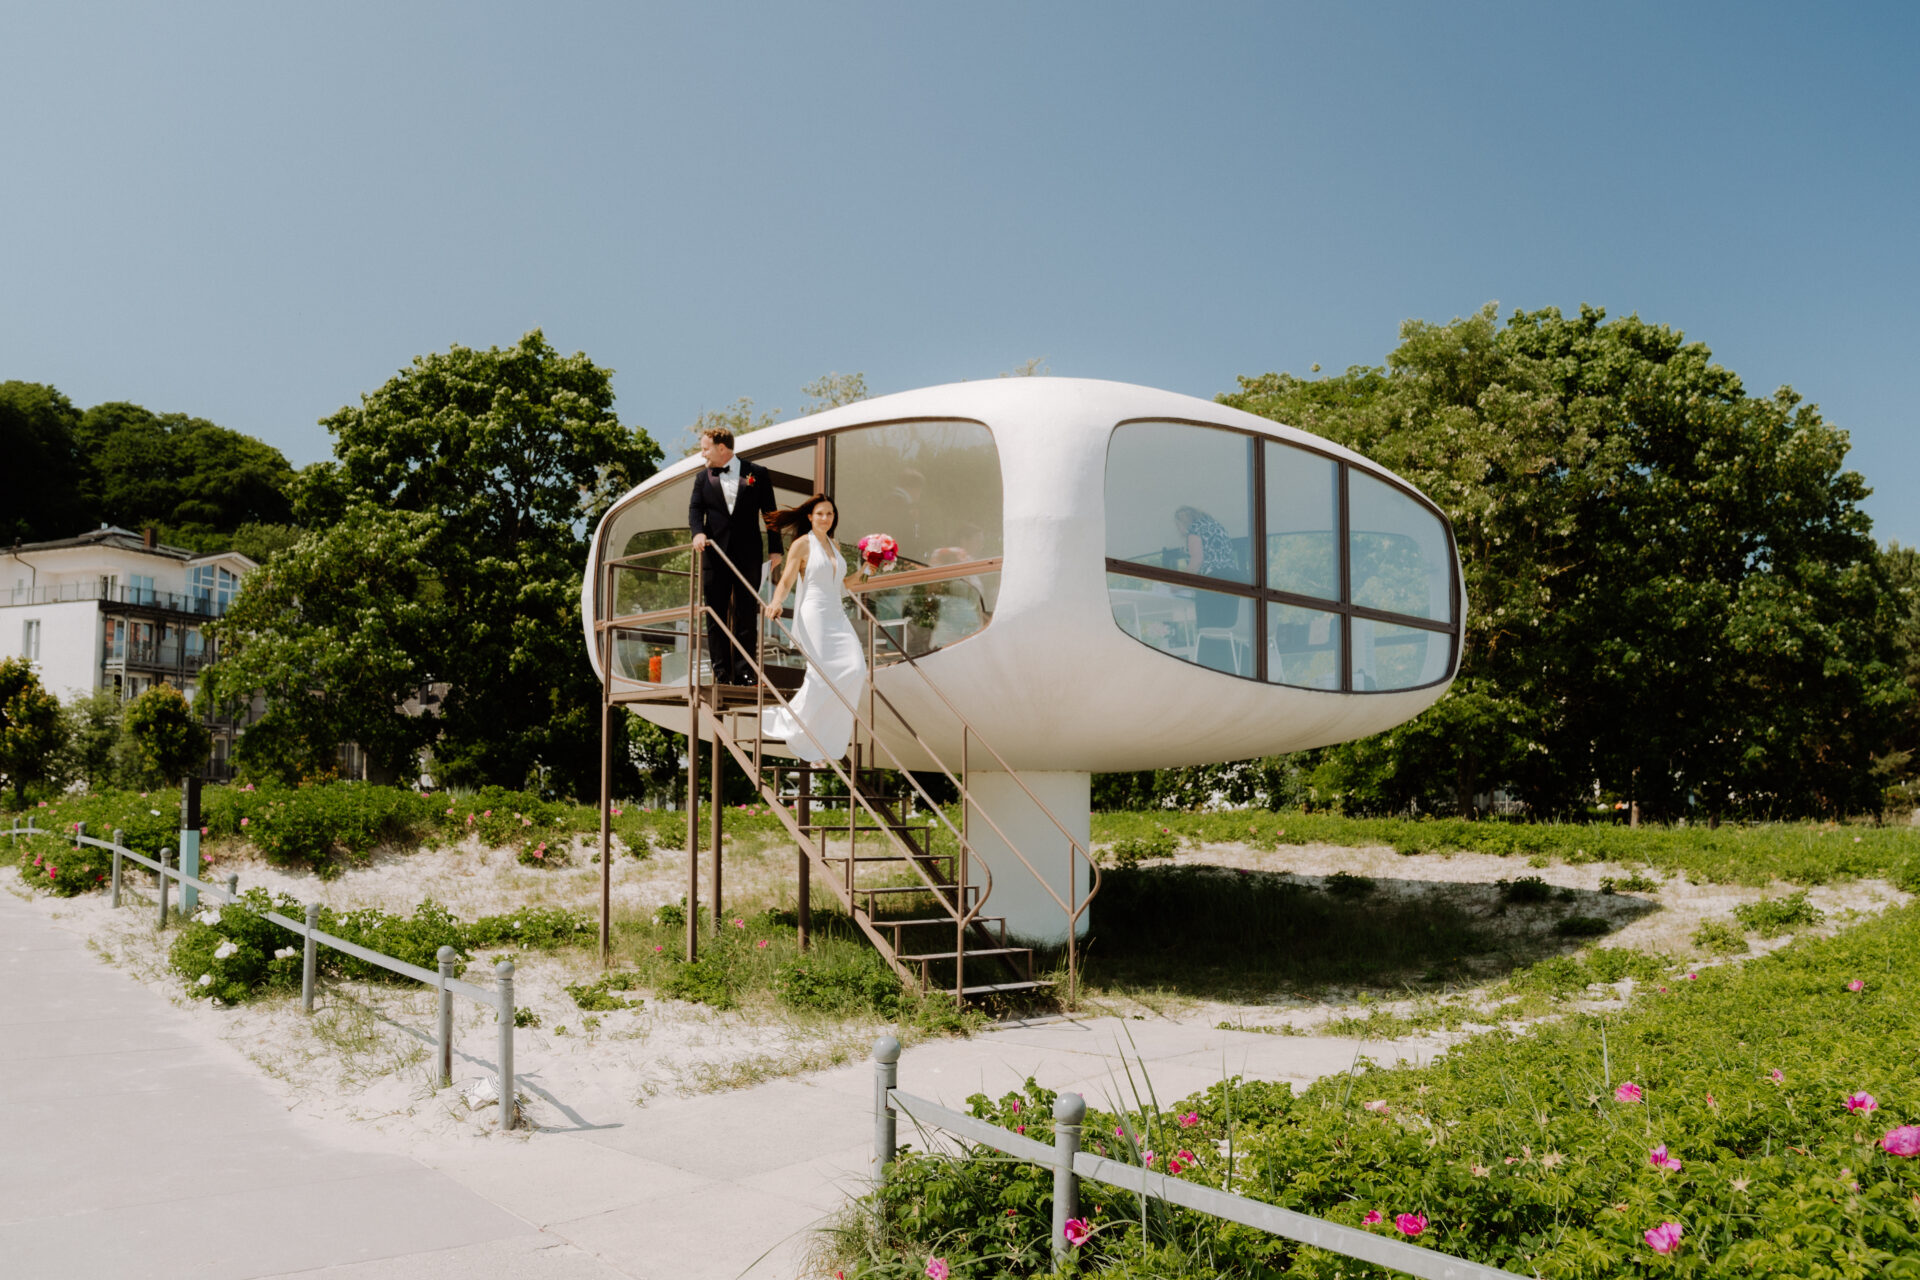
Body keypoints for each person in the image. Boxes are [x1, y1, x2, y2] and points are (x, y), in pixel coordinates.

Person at [760, 493, 870, 762]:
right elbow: (786, 580)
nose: (825, 518)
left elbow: (843, 586)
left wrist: (868, 569)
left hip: (837, 614)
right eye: (820, 513)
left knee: (856, 670)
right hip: (814, 614)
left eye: (830, 514)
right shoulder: (802, 544)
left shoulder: (835, 546)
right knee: (822, 675)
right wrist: (775, 602)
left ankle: (822, 732)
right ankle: (797, 725)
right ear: (810, 516)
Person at [688, 426, 781, 683]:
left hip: (747, 553)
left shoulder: (757, 474)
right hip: (714, 555)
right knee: (715, 614)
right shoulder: (702, 478)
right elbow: (695, 510)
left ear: (722, 448)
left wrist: (776, 549)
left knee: (746, 614)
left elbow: (770, 514)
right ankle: (721, 673)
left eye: (705, 448)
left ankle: (745, 672)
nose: (702, 454)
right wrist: (697, 533)